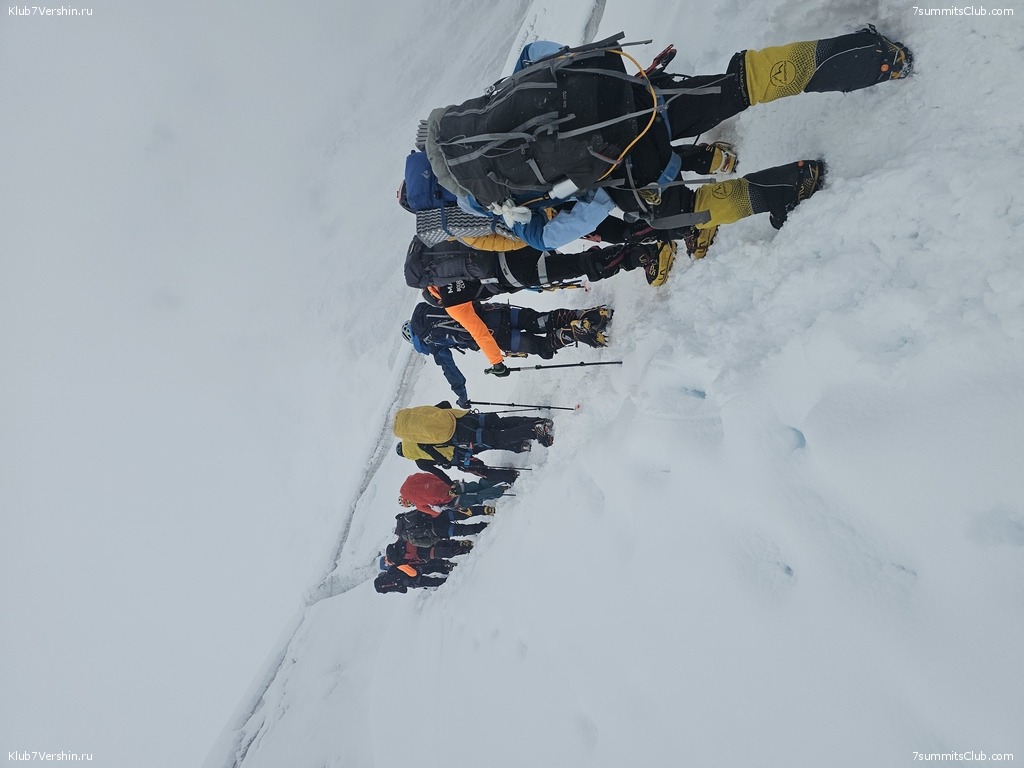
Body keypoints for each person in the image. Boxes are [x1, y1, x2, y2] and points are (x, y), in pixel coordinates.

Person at [422, 26, 912, 259]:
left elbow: (566, 227)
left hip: (629, 160)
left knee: (680, 212)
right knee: (737, 86)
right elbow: (537, 53)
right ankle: (869, 56)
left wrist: (595, 179)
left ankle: (790, 184)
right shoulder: (476, 120)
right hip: (631, 93)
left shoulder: (488, 197)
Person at [403, 301, 612, 401]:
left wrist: (462, 396)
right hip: (496, 313)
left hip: (494, 338)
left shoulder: (432, 341)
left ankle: (572, 332)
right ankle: (589, 314)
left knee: (541, 346)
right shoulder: (429, 306)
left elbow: (451, 371)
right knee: (540, 320)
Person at [393, 404, 555, 466]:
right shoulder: (418, 413)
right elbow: (444, 404)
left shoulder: (416, 436)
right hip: (463, 417)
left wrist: (445, 462)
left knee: (496, 439)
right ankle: (538, 422)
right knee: (500, 423)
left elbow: (432, 452)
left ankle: (534, 431)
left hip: (461, 436)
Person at [394, 443, 519, 486]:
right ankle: (518, 444)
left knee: (484, 472)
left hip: (457, 460)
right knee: (490, 443)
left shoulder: (420, 462)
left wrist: (450, 483)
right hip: (458, 444)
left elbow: (438, 473)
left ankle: (511, 476)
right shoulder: (419, 439)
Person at [398, 472, 507, 516]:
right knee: (477, 486)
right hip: (453, 486)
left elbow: (436, 512)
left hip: (452, 500)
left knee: (477, 497)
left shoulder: (419, 504)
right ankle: (502, 476)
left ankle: (502, 489)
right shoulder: (413, 480)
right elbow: (431, 475)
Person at [374, 563, 449, 594]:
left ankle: (447, 582)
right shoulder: (391, 570)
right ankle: (447, 568)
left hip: (413, 582)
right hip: (413, 571)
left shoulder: (391, 588)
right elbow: (400, 565)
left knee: (432, 582)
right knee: (431, 568)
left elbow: (404, 591)